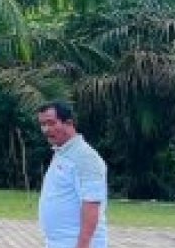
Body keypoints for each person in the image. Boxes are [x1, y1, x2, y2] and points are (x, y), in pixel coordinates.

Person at [37, 101, 108, 248]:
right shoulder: (62, 152)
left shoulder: (85, 157)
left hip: (77, 242)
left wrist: (82, 245)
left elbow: (92, 204)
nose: (46, 129)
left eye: (51, 123)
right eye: (43, 124)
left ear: (69, 123)